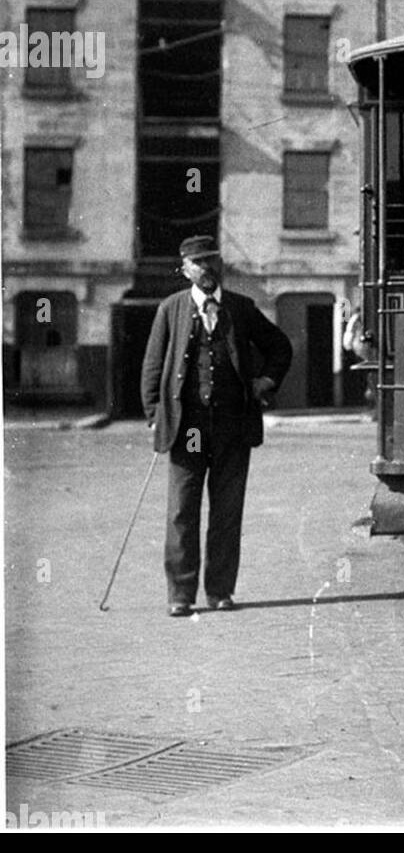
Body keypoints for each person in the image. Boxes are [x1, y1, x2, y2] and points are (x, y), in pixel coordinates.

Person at [140, 235, 292, 616]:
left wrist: (266, 382)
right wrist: (155, 416)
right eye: (198, 263)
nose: (207, 269)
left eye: (212, 262)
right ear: (186, 269)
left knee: (227, 511)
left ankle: (221, 591)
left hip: (232, 426)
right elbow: (153, 368)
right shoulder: (170, 309)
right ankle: (181, 594)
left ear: (220, 265)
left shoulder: (241, 309)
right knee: (182, 510)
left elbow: (279, 347)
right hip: (188, 429)